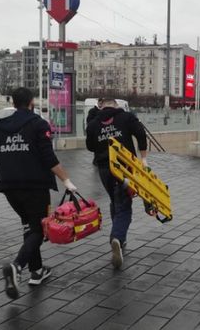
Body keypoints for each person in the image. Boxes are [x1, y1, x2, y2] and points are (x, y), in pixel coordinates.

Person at [0, 88, 78, 299]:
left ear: (13, 103)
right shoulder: (38, 124)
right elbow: (48, 157)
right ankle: (17, 266)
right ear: (31, 102)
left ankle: (37, 271)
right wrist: (67, 181)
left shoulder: (1, 126)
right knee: (39, 229)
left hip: (8, 187)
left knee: (29, 225)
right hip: (34, 186)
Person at [86, 98, 148, 270]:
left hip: (105, 169)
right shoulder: (126, 117)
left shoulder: (93, 124)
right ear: (116, 106)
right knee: (125, 205)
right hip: (125, 168)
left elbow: (90, 147)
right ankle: (117, 238)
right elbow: (141, 133)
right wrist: (144, 159)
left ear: (101, 106)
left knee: (116, 200)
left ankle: (120, 237)